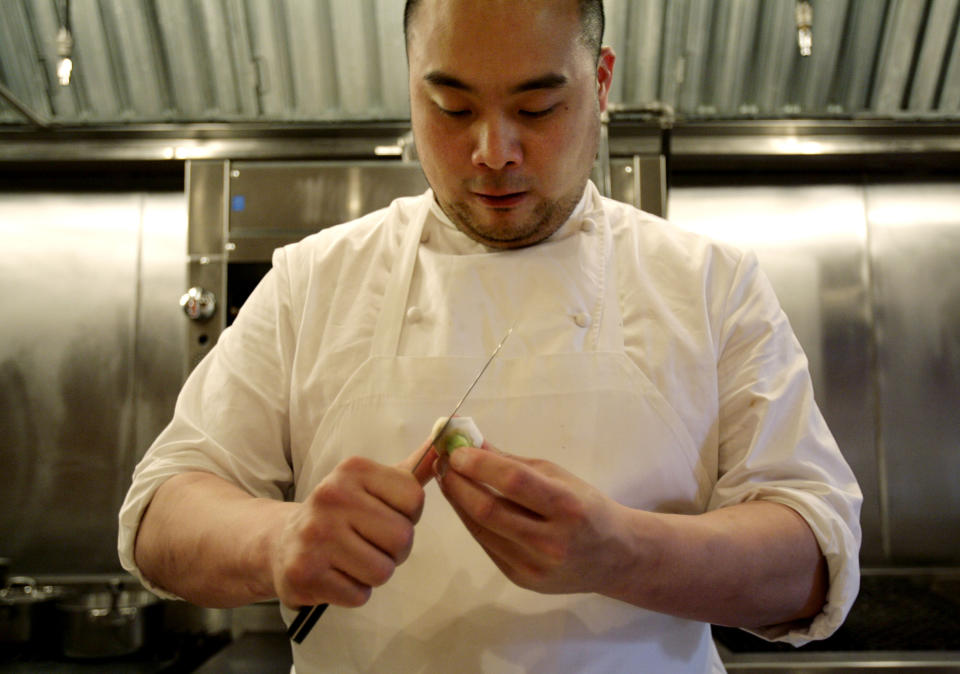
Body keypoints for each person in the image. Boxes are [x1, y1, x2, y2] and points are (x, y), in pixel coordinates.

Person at [119, 0, 863, 672]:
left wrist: (620, 552)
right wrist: (277, 541)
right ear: (411, 86)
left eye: (538, 108)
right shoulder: (312, 281)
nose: (494, 151)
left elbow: (814, 560)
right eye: (450, 107)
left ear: (601, 83)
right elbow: (163, 513)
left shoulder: (711, 283)